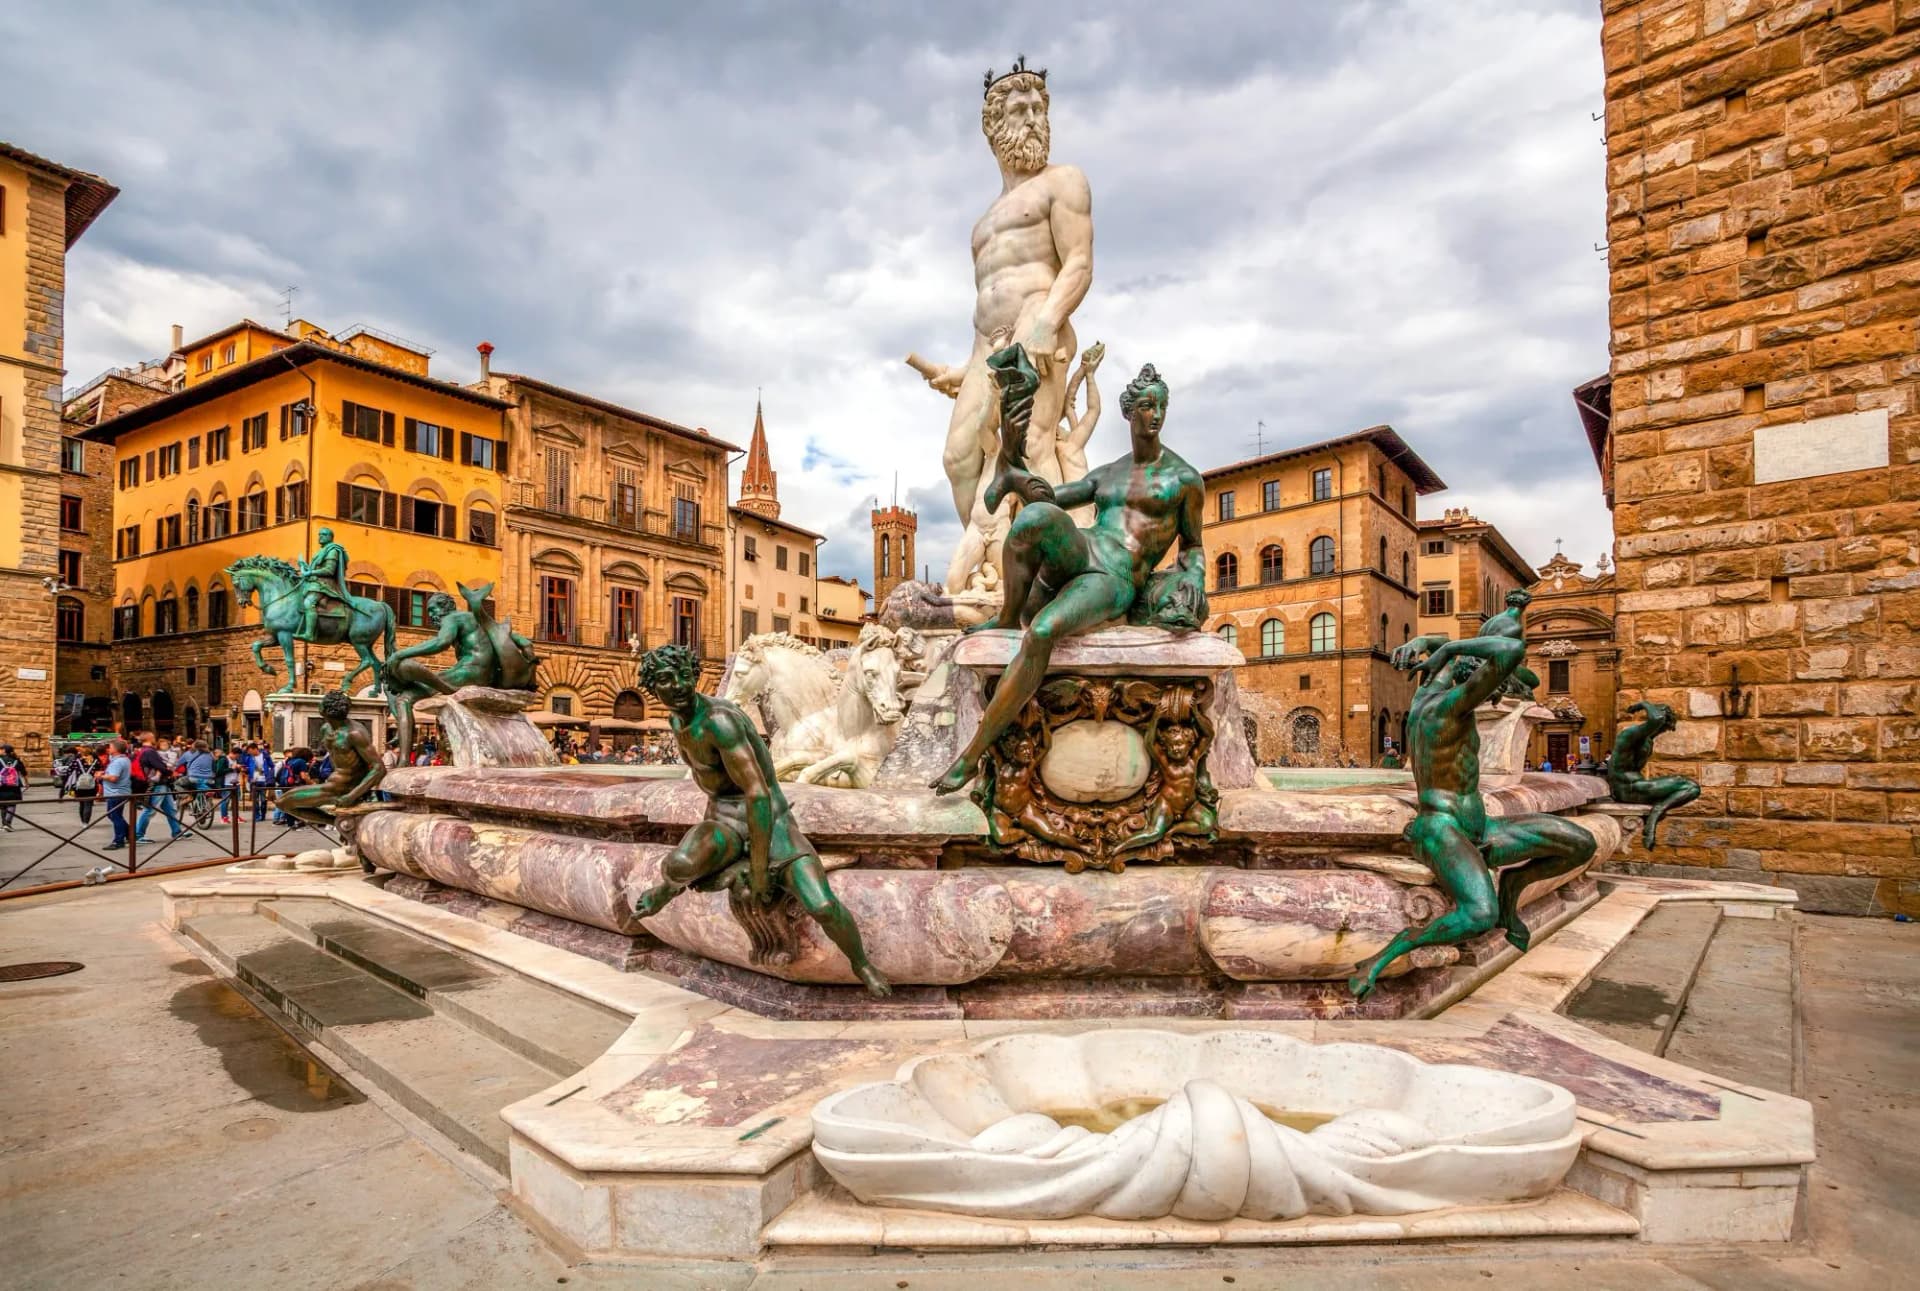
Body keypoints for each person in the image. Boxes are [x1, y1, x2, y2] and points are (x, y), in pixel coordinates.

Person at [931, 357, 1206, 794]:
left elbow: (1193, 547)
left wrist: (1193, 581)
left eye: (1161, 407)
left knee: (1041, 632)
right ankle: (1006, 615)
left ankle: (972, 753)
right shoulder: (1109, 474)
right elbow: (1050, 498)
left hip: (1116, 575)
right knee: (1037, 516)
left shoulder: (1184, 479)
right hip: (1088, 546)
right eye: (1147, 407)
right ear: (1130, 413)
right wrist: (1012, 465)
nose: (1155, 416)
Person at [630, 643, 891, 997]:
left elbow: (758, 795)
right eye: (664, 680)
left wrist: (757, 868)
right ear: (652, 686)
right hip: (724, 821)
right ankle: (666, 891)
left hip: (771, 820)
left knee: (823, 906)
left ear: (695, 675)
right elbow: (715, 791)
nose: (676, 685)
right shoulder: (677, 720)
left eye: (684, 676)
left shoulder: (718, 722)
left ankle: (861, 962)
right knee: (677, 865)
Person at [1348, 634, 1596, 1001]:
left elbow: (1452, 657)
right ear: (1475, 685)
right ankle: (1390, 951)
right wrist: (1447, 649)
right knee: (1480, 914)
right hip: (1441, 827)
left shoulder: (1427, 695)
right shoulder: (1450, 707)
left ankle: (1511, 887)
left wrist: (1429, 643)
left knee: (1582, 843)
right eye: (1495, 690)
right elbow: (1510, 650)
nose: (1496, 698)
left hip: (1480, 826)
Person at [133, 734, 186, 843]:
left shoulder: (144, 751)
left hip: (161, 783)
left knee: (170, 809)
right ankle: (138, 835)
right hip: (157, 783)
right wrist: (170, 772)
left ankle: (177, 831)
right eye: (153, 737)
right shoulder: (150, 751)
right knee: (150, 810)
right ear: (149, 739)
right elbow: (159, 766)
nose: (154, 738)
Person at [100, 739, 133, 849]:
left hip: (115, 792)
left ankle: (118, 840)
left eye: (110, 747)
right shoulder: (124, 759)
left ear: (116, 749)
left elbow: (114, 777)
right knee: (114, 815)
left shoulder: (118, 762)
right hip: (121, 791)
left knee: (115, 816)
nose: (108, 748)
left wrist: (101, 776)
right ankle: (129, 834)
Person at [0, 744, 26, 830]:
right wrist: (27, 783)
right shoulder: (16, 760)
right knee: (12, 804)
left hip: (1, 785)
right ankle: (8, 823)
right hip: (14, 785)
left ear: (4, 750)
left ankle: (4, 824)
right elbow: (23, 772)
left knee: (3, 804)